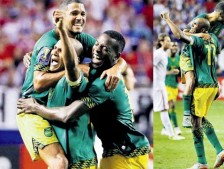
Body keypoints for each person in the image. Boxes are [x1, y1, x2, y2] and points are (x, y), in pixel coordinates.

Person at [18, 30, 151, 169]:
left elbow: (67, 115)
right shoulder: (91, 71)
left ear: (115, 57)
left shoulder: (105, 82)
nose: (98, 49)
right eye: (97, 44)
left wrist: (35, 108)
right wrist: (35, 57)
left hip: (128, 153)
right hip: (110, 153)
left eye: (105, 48)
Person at [17, 0, 126, 168]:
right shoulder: (47, 43)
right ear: (58, 16)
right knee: (59, 162)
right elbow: (38, 83)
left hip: (53, 105)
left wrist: (117, 67)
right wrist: (75, 68)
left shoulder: (82, 38)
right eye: (74, 13)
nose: (80, 18)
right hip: (32, 108)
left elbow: (110, 52)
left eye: (82, 14)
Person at [161, 12, 224, 169]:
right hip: (213, 85)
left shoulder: (197, 40)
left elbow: (178, 34)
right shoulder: (214, 39)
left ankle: (202, 162)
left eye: (195, 24)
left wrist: (168, 19)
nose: (192, 25)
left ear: (202, 29)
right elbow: (214, 46)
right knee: (201, 119)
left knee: (194, 123)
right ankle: (219, 151)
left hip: (202, 85)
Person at [154, 33, 185, 140]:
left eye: (169, 40)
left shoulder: (163, 54)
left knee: (165, 108)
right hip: (160, 85)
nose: (169, 42)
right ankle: (172, 133)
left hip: (167, 85)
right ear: (161, 42)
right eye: (167, 41)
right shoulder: (158, 54)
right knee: (165, 108)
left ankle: (167, 130)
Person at [163, 41, 182, 136]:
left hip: (174, 85)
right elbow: (161, 72)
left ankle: (164, 128)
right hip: (166, 85)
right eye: (173, 46)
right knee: (172, 106)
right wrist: (172, 72)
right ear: (169, 47)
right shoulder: (165, 58)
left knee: (171, 107)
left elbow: (180, 71)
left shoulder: (178, 58)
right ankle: (176, 128)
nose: (175, 47)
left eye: (176, 46)